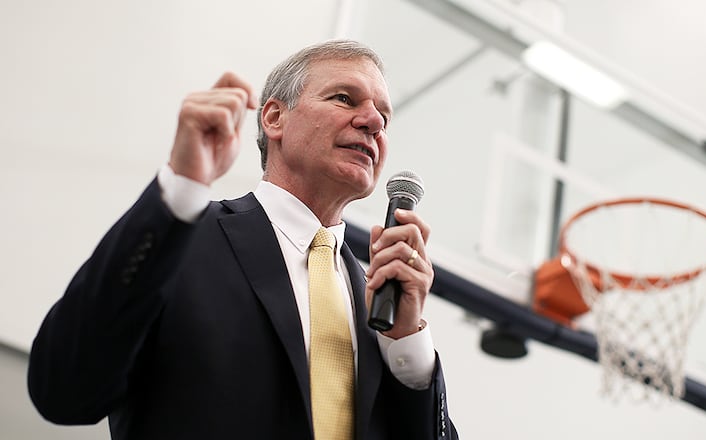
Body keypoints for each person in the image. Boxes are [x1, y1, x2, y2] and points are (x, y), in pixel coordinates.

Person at [27, 40, 458, 440]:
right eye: (344, 98)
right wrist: (179, 190)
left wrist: (409, 346)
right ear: (274, 118)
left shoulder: (381, 307)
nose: (372, 122)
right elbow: (64, 390)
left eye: (384, 116)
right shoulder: (180, 242)